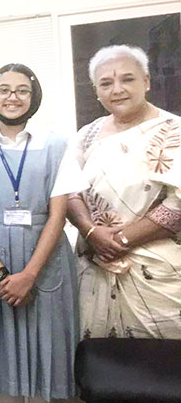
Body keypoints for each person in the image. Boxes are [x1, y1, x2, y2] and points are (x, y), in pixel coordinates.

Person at [0, 63, 85, 402]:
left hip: (44, 258)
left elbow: (58, 215)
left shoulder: (57, 146)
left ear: (34, 97)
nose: (13, 97)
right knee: (3, 363)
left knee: (48, 360)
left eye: (22, 90)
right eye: (4, 90)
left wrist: (29, 275)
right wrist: (1, 274)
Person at [67, 45, 181, 339]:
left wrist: (121, 240)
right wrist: (91, 232)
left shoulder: (174, 131)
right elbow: (69, 191)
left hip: (160, 275)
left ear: (146, 81)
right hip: (95, 269)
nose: (117, 89)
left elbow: (178, 204)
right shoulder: (86, 135)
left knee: (164, 362)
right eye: (106, 83)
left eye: (127, 79)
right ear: (96, 91)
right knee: (101, 360)